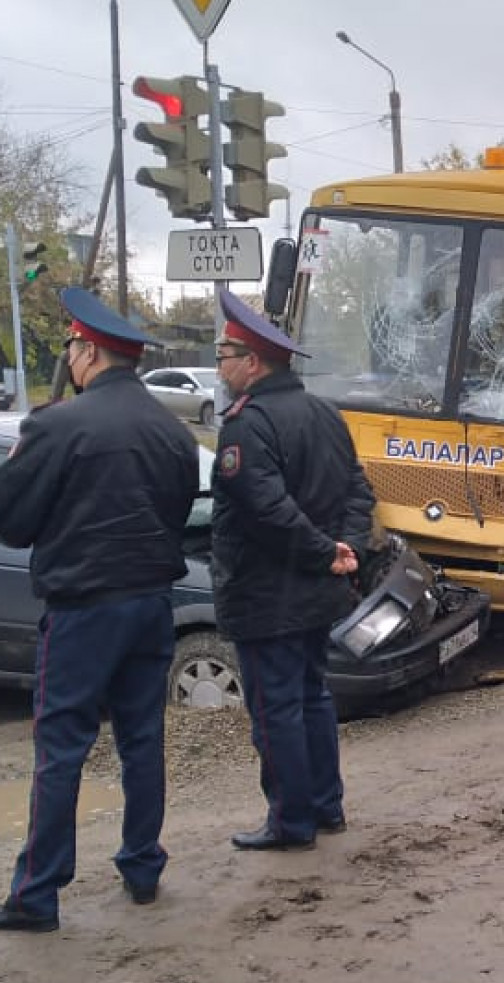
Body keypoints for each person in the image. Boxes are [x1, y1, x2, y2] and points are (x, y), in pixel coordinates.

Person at [0, 287, 201, 932]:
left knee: (62, 749)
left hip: (83, 609)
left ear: (90, 352)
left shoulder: (57, 425)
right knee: (142, 739)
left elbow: (3, 517)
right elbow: (177, 514)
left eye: (72, 346)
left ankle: (37, 894)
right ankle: (142, 865)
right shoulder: (172, 431)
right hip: (152, 602)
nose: (70, 356)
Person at [211, 289, 375, 853]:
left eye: (223, 354)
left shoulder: (246, 425)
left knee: (276, 709)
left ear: (252, 362)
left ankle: (291, 822)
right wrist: (344, 548)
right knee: (312, 699)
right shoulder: (324, 413)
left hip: (268, 595)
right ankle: (326, 808)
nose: (220, 365)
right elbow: (359, 490)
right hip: (317, 592)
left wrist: (327, 551)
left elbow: (265, 508)